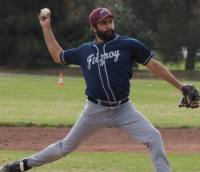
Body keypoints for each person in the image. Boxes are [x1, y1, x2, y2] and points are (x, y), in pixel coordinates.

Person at [0, 7, 185, 172]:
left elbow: (154, 65)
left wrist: (181, 86)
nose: (108, 26)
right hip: (95, 109)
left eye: (110, 21)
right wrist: (46, 27)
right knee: (66, 147)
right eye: (103, 23)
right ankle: (24, 165)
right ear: (93, 28)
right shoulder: (85, 51)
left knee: (153, 136)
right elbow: (58, 56)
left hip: (123, 109)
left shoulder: (128, 44)